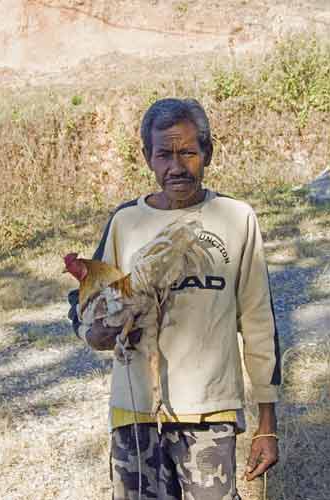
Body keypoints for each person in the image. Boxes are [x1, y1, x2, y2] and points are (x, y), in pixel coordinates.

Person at [68, 98, 280, 500]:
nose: (177, 167)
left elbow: (259, 324)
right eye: (164, 154)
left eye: (188, 152)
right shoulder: (126, 222)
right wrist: (95, 331)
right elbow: (86, 304)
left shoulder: (237, 219)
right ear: (147, 157)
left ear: (208, 153)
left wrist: (266, 423)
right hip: (135, 410)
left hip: (210, 409)